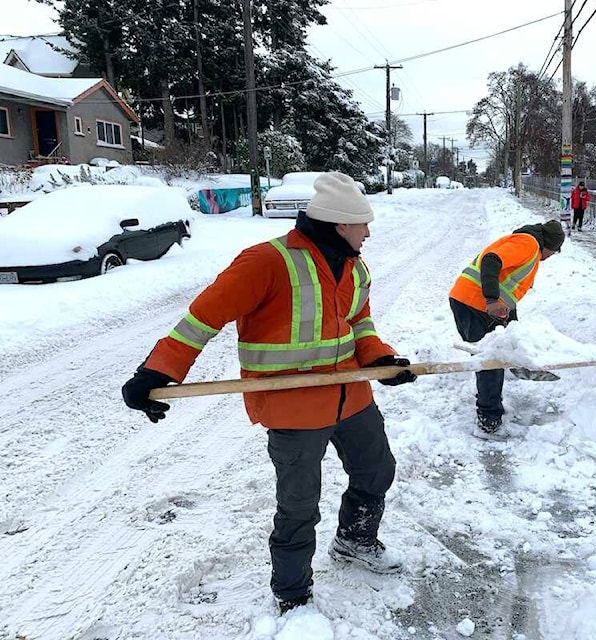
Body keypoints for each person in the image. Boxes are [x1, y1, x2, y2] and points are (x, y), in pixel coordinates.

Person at [121, 172, 417, 615]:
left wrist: (379, 360)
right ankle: (293, 594)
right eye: (363, 224)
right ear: (340, 224)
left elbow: (360, 325)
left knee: (377, 470)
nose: (369, 232)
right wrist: (156, 371)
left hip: (350, 396)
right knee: (299, 505)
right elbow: (202, 318)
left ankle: (355, 541)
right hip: (292, 406)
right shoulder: (266, 261)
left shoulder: (355, 267)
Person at [448, 220, 565, 436]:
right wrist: (492, 300)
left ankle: (490, 410)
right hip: (476, 303)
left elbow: (508, 287)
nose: (551, 257)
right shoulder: (528, 244)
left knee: (494, 354)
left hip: (470, 301)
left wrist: (513, 327)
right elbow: (491, 261)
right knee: (492, 359)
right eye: (554, 252)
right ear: (550, 245)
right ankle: (489, 418)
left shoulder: (527, 245)